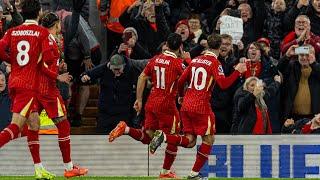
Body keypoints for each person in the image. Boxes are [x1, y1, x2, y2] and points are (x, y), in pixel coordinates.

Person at [149, 34, 247, 179]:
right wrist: (238, 71)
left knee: (190, 141)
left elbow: (181, 80)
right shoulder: (215, 63)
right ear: (219, 47)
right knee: (209, 139)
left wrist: (181, 96)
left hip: (187, 105)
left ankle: (164, 137)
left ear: (207, 45)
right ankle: (194, 174)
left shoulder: (195, 60)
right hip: (201, 106)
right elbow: (223, 84)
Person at [108, 33, 186, 179]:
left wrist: (139, 100)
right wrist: (181, 94)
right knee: (173, 136)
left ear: (167, 45)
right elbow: (185, 80)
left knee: (148, 137)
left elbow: (142, 77)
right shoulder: (178, 63)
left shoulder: (155, 59)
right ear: (180, 47)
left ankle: (125, 129)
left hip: (151, 102)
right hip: (167, 104)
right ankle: (165, 172)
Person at [25, 11, 88, 179]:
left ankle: (38, 168)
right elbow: (41, 65)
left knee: (32, 126)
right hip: (47, 90)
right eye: (59, 23)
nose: (61, 25)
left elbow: (42, 63)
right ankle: (68, 167)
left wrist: (58, 66)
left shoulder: (42, 37)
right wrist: (58, 76)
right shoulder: (46, 38)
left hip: (34, 87)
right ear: (56, 25)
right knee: (64, 125)